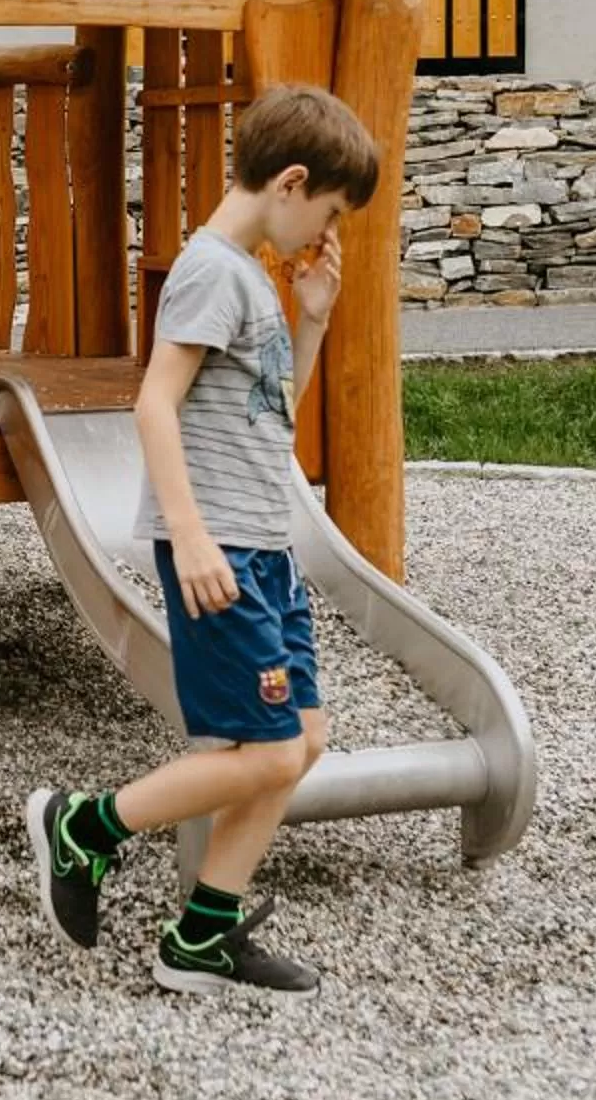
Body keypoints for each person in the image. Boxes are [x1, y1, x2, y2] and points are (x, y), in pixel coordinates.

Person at [24, 84, 381, 995]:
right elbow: (154, 404)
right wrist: (187, 536)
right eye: (330, 213)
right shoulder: (211, 271)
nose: (324, 233)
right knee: (260, 751)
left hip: (263, 549)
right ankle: (85, 828)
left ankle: (202, 937)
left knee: (300, 741)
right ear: (293, 182)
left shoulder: (254, 281)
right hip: (217, 550)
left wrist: (312, 319)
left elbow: (269, 417)